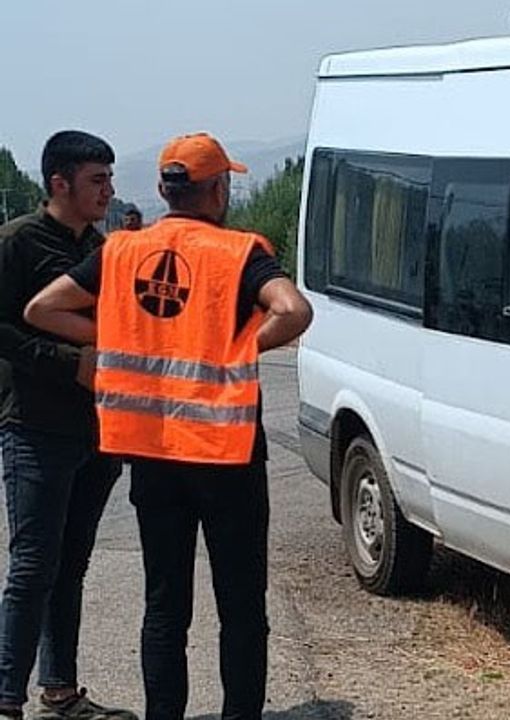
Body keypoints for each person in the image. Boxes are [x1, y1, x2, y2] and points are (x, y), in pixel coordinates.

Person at [25, 132, 313, 720]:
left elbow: (42, 309)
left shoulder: (120, 251)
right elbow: (294, 310)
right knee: (240, 606)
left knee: (164, 606)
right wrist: (239, 348)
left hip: (152, 454)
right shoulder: (240, 253)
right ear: (219, 190)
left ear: (163, 190)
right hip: (228, 454)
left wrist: (120, 335)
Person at [0, 130, 136, 720]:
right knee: (33, 567)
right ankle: (6, 698)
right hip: (34, 427)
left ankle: (59, 690)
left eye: (110, 178)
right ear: (59, 183)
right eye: (97, 180)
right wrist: (65, 363)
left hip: (97, 429)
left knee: (70, 564)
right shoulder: (17, 242)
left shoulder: (103, 249)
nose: (108, 190)